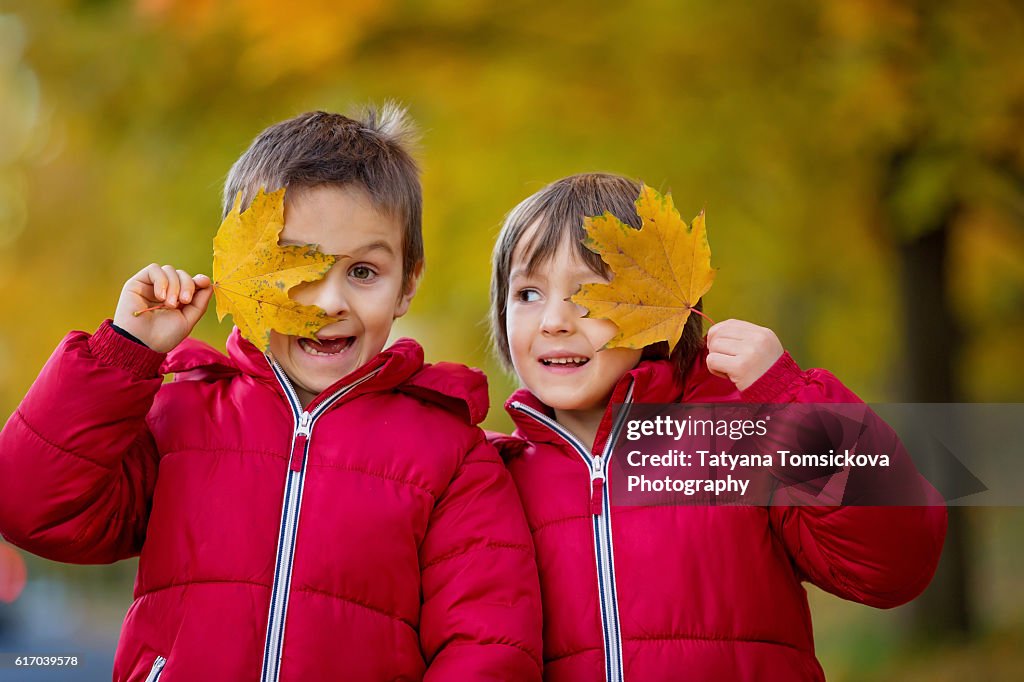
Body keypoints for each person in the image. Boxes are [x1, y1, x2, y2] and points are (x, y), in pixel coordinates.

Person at [0, 106, 542, 681]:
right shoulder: (181, 416)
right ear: (241, 270)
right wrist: (126, 352)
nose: (328, 302)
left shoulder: (452, 456)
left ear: (407, 283)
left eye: (363, 272)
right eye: (296, 270)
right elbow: (29, 505)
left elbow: (488, 645)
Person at [488, 172, 946, 681]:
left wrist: (792, 406)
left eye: (590, 294)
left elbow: (893, 563)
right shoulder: (491, 483)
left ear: (657, 308)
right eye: (528, 293)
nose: (554, 320)